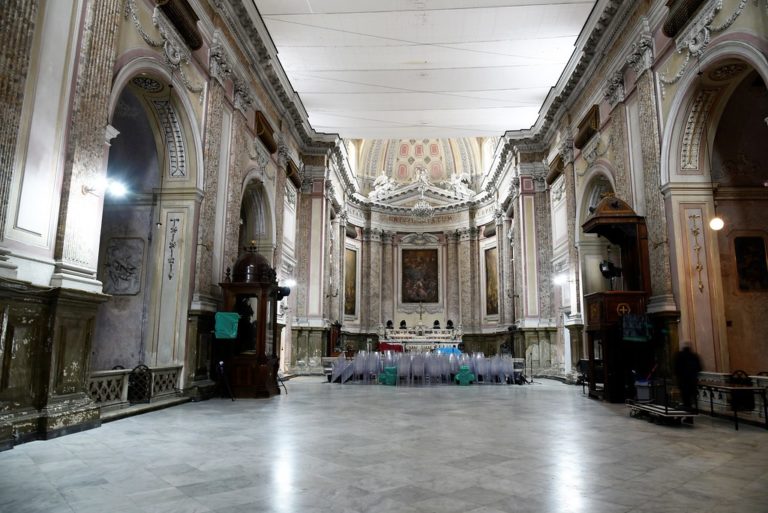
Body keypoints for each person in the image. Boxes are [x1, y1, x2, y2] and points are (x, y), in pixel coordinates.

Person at [674, 342, 702, 412]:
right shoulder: (694, 356)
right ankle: (694, 410)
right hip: (692, 381)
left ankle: (688, 415)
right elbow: (699, 368)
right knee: (693, 398)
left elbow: (676, 369)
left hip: (683, 382)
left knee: (686, 400)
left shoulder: (679, 355)